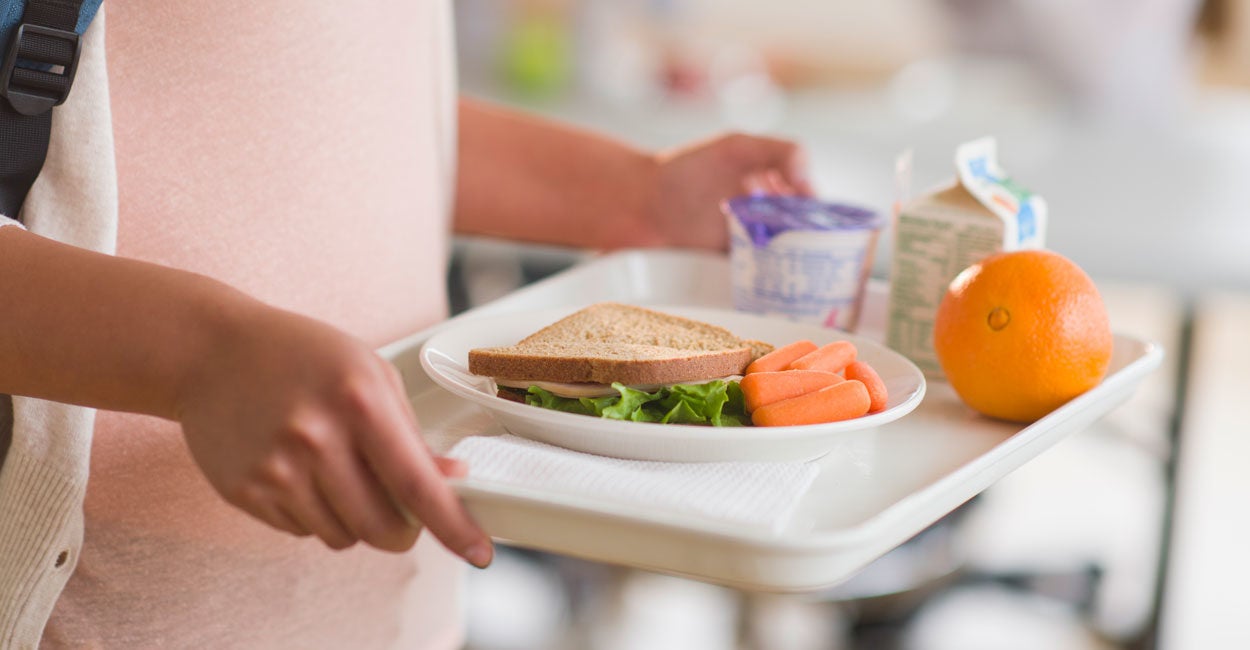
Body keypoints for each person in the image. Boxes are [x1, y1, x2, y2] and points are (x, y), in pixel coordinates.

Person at [0, 2, 809, 648]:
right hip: (96, 611)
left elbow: (332, 99)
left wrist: (637, 194)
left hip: (396, 607)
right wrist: (198, 358)